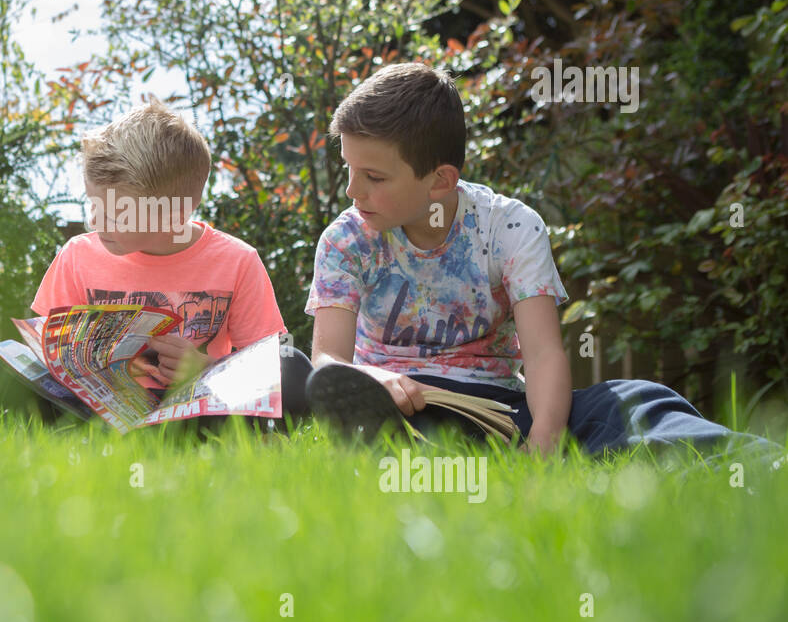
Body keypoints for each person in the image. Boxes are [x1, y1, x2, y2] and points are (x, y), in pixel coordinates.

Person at [304, 61, 781, 463]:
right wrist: (372, 376)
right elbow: (328, 362)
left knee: (633, 400)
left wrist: (542, 447)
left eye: (372, 176)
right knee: (407, 426)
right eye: (349, 168)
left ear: (440, 181)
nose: (352, 190)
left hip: (500, 404)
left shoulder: (509, 227)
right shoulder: (346, 241)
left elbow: (544, 353)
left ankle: (762, 462)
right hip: (401, 402)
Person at [0, 100, 311, 428]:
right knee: (2, 370)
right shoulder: (78, 255)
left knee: (291, 366)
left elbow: (263, 364)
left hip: (197, 412)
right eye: (93, 203)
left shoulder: (236, 261)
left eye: (114, 214)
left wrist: (203, 367)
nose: (95, 221)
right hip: (95, 412)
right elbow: (45, 354)